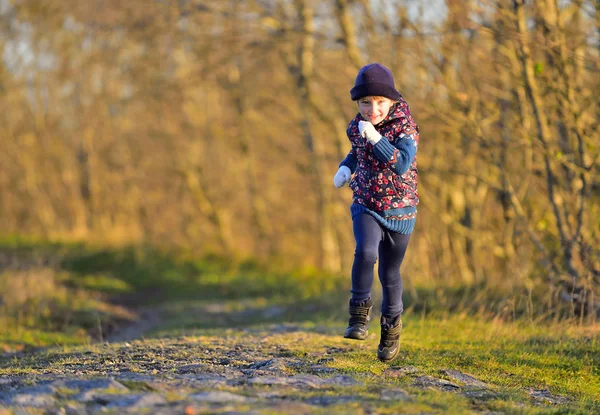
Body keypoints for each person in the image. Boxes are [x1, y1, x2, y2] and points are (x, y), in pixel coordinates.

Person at [333, 63, 419, 362]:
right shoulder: (358, 126)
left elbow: (402, 163)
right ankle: (358, 316)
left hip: (400, 209)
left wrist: (376, 139)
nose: (372, 109)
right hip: (366, 201)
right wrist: (347, 167)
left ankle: (390, 332)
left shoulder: (405, 128)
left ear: (393, 101)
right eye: (365, 102)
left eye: (380, 102)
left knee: (389, 273)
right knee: (366, 252)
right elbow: (357, 152)